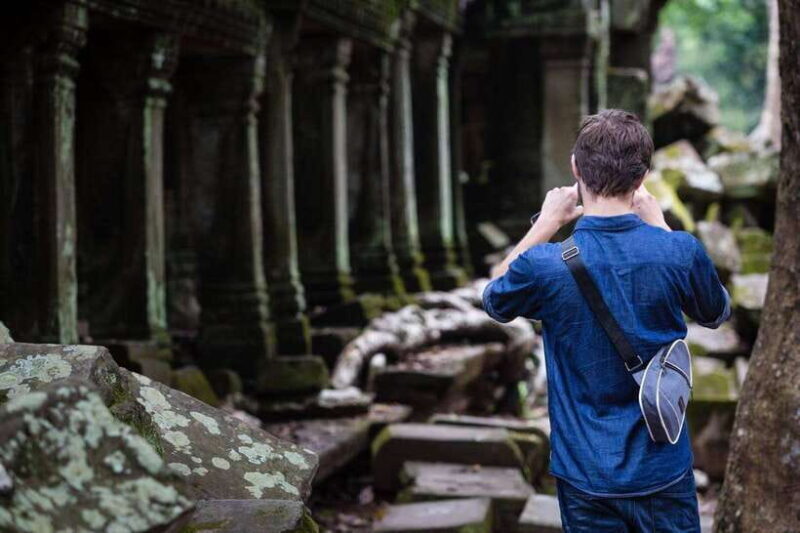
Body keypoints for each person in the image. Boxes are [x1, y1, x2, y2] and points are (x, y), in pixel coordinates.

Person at [483, 109, 730, 532]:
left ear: (576, 168)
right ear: (642, 177)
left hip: (586, 473)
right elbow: (715, 311)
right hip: (663, 470)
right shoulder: (678, 251)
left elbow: (495, 297)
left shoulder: (544, 266)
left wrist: (546, 224)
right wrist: (662, 226)